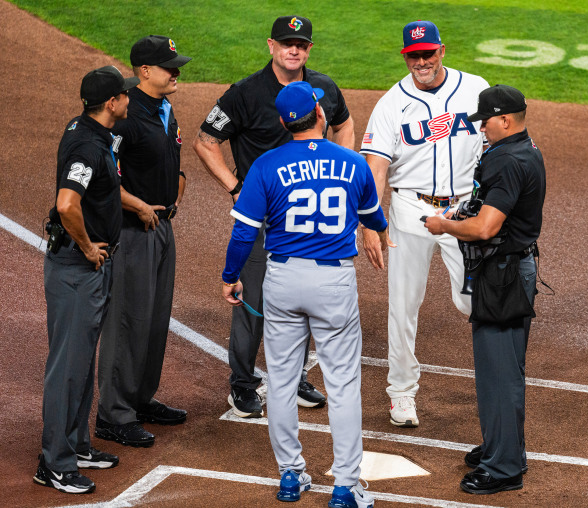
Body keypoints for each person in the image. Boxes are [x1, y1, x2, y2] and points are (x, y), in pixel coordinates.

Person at [221, 81, 386, 507]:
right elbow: (375, 219)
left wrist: (230, 275)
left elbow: (243, 232)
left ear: (282, 122)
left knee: (280, 380)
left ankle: (291, 476)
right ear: (319, 114)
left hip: (282, 279)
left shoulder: (265, 164)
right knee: (344, 384)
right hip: (333, 282)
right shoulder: (352, 163)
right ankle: (347, 487)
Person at [194, 15, 354, 418]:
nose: (293, 49)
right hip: (263, 222)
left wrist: (343, 165)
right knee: (253, 303)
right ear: (271, 45)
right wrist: (238, 188)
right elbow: (205, 141)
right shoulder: (245, 94)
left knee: (300, 301)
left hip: (308, 222)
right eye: (286, 42)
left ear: (309, 49)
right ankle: (242, 384)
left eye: (300, 43)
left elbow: (345, 124)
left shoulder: (325, 89)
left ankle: (296, 376)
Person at [359, 20, 489, 427]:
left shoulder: (475, 89)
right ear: (405, 57)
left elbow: (498, 143)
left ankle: (494, 378)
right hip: (409, 210)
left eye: (427, 53)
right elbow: (376, 166)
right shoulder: (390, 104)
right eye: (413, 55)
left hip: (464, 210)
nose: (421, 62)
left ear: (442, 51)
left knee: (477, 299)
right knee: (403, 305)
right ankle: (401, 393)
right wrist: (370, 222)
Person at [424, 84, 546, 494]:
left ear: (505, 120)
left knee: (498, 373)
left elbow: (485, 227)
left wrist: (443, 225)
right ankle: (505, 447)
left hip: (504, 275)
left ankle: (504, 467)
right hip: (512, 269)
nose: (482, 129)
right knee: (505, 368)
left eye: (486, 121)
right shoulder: (525, 148)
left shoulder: (508, 161)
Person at [35, 66, 138, 494]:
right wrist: (87, 246)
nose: (129, 99)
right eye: (125, 95)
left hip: (88, 270)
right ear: (111, 103)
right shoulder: (87, 147)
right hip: (78, 271)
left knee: (81, 363)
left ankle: (76, 445)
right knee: (69, 369)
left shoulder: (87, 129)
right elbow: (66, 204)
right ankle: (54, 463)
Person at [96, 35, 191, 448]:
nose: (177, 72)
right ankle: (113, 414)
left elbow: (176, 165)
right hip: (134, 233)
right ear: (145, 71)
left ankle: (140, 399)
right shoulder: (127, 115)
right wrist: (141, 206)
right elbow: (103, 176)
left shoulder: (165, 109)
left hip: (161, 228)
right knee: (128, 322)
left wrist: (172, 201)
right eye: (170, 67)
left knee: (154, 321)